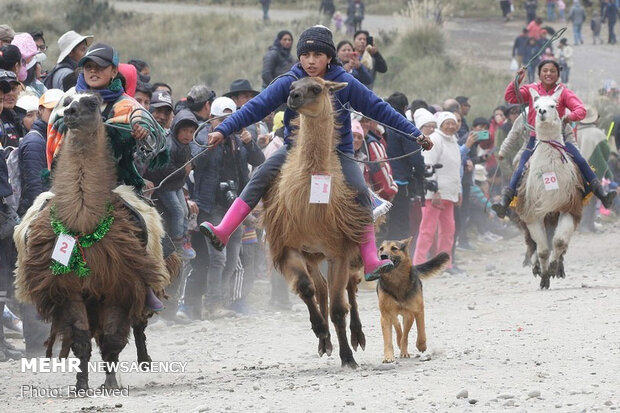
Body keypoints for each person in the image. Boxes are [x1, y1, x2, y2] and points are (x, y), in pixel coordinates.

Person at [199, 25, 432, 282]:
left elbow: (379, 108)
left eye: (317, 55)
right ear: (299, 56)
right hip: (295, 148)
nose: (311, 61)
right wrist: (223, 130)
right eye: (306, 54)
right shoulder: (289, 81)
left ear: (329, 57)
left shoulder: (346, 83)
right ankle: (224, 230)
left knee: (360, 192)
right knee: (260, 178)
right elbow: (255, 107)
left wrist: (415, 133)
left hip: (338, 152)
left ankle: (370, 260)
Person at [45, 43, 168, 311]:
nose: (93, 71)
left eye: (100, 67)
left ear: (113, 71)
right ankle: (44, 280)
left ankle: (145, 281)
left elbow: (158, 145)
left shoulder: (128, 107)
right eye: (88, 66)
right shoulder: (69, 100)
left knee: (145, 223)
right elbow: (54, 142)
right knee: (32, 226)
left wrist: (140, 136)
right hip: (72, 184)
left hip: (116, 186)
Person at [492, 60, 617, 218]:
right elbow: (510, 97)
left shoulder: (563, 92)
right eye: (545, 70)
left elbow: (581, 109)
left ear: (558, 74)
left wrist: (569, 116)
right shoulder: (530, 90)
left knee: (580, 160)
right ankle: (505, 201)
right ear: (539, 73)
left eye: (552, 71)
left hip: (561, 138)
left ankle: (602, 195)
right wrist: (517, 81)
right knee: (521, 166)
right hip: (534, 138)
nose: (548, 74)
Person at [192, 96, 264, 318]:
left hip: (234, 205)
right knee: (218, 258)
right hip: (211, 204)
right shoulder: (202, 136)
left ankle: (221, 301)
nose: (226, 123)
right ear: (212, 118)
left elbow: (259, 160)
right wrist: (213, 142)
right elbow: (197, 161)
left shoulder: (239, 139)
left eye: (231, 118)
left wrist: (249, 142)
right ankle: (212, 304)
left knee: (233, 257)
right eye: (221, 118)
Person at [145, 109, 198, 260]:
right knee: (178, 211)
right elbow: (164, 168)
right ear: (176, 129)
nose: (188, 135)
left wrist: (192, 165)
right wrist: (184, 170)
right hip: (165, 187)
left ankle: (184, 238)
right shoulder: (170, 145)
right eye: (185, 131)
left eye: (191, 131)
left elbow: (190, 159)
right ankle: (177, 242)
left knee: (185, 211)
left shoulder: (185, 145)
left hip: (177, 185)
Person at [413, 112, 461, 272]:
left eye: (453, 123)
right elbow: (428, 165)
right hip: (434, 195)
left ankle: (445, 264)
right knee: (428, 230)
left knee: (448, 231)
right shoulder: (435, 139)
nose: (451, 126)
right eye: (447, 123)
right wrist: (434, 191)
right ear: (440, 124)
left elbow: (456, 169)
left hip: (449, 194)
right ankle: (418, 264)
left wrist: (458, 191)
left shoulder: (454, 141)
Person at [0, 70, 23, 361]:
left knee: (3, 277)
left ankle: (2, 343)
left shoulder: (9, 121)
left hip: (5, 207)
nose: (6, 93)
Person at [18, 89, 63, 215]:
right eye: (51, 110)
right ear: (41, 110)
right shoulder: (35, 141)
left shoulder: (54, 136)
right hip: (40, 212)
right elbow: (35, 187)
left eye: (60, 110)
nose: (56, 114)